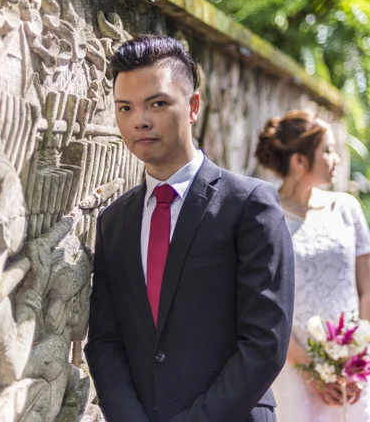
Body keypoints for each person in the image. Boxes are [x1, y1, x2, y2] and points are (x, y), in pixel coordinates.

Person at [85, 34, 295, 422]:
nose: (139, 120)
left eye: (158, 103)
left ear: (193, 106)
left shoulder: (250, 205)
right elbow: (104, 341)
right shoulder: (113, 222)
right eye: (124, 108)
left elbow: (265, 343)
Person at [255, 110, 370, 421]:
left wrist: (357, 358)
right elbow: (266, 305)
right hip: (294, 370)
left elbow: (367, 288)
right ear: (299, 161)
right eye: (328, 151)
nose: (336, 159)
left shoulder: (346, 208)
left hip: (354, 369)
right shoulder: (265, 217)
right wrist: (311, 371)